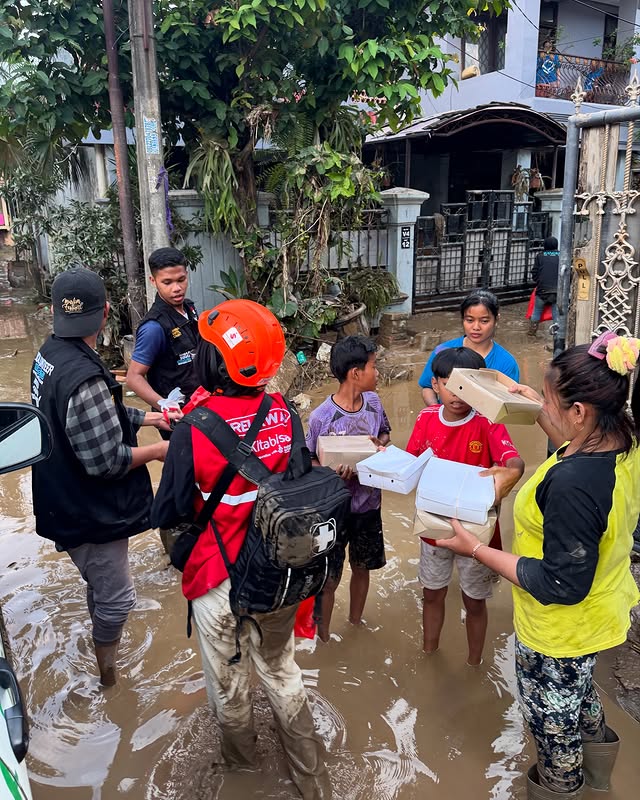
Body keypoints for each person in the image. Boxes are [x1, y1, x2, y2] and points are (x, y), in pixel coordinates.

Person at [436, 332, 640, 798]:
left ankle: (563, 786)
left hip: (558, 630)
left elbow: (557, 583)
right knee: (581, 695)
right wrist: (535, 403)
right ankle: (602, 783)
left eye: (551, 401)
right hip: (602, 613)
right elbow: (573, 446)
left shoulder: (572, 485)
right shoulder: (622, 442)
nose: (544, 407)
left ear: (580, 412)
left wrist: (476, 549)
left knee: (553, 731)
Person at [151, 299, 331, 800]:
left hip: (220, 580)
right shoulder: (287, 414)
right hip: (280, 577)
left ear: (216, 362)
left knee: (231, 683)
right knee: (281, 670)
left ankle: (243, 773)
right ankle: (313, 780)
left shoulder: (194, 426)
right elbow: (296, 486)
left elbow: (166, 511)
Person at [30, 267, 180, 686]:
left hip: (58, 494)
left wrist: (152, 415)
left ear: (54, 313)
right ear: (106, 314)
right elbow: (108, 460)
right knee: (118, 600)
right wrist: (158, 449)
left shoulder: (50, 353)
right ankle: (109, 679)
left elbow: (92, 419)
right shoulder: (86, 376)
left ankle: (98, 637)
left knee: (98, 585)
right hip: (90, 509)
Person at [406, 347, 524, 665]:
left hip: (475, 531)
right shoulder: (426, 419)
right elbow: (410, 463)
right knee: (432, 594)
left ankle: (475, 662)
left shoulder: (488, 422)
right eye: (448, 384)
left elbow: (511, 460)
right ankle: (429, 652)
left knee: (474, 601)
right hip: (434, 529)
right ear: (435, 384)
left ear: (478, 388)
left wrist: (512, 471)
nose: (456, 395)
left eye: (465, 387)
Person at [305, 336, 391, 642]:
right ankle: (324, 636)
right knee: (328, 578)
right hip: (334, 511)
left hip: (368, 505)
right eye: (373, 366)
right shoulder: (321, 417)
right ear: (355, 373)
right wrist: (331, 472)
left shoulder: (375, 404)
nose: (377, 372)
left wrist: (377, 451)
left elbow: (384, 437)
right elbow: (308, 460)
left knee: (362, 566)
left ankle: (355, 623)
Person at [126, 247, 200, 428]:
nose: (177, 288)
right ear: (153, 281)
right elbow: (133, 377)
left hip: (198, 404)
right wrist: (163, 404)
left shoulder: (189, 309)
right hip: (177, 416)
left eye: (181, 280)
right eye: (167, 282)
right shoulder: (154, 327)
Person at [418, 289, 519, 406]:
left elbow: (508, 404)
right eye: (469, 320)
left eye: (484, 321)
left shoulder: (506, 363)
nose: (476, 327)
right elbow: (428, 387)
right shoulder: (442, 351)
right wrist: (436, 412)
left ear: (496, 319)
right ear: (463, 319)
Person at [529, 236, 560, 336]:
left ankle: (532, 333)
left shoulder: (540, 256)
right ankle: (557, 335)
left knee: (537, 311)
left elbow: (535, 272)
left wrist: (539, 282)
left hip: (542, 291)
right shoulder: (562, 256)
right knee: (556, 313)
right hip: (557, 291)